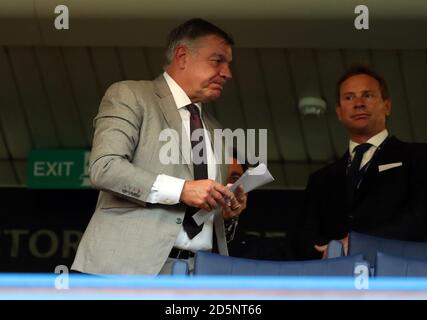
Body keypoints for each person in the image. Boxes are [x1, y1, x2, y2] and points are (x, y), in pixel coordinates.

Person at [71, 18, 247, 275]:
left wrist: (225, 212)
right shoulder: (130, 95)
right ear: (183, 56)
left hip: (197, 273)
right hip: (123, 269)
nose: (227, 73)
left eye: (228, 64)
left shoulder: (215, 128)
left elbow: (199, 208)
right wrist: (182, 190)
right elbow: (104, 167)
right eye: (217, 60)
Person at [298, 64, 427, 260]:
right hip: (336, 281)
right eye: (349, 97)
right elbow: (304, 236)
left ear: (387, 105)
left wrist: (361, 244)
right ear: (339, 112)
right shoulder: (321, 179)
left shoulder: (417, 157)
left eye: (368, 95)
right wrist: (326, 251)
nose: (358, 103)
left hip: (399, 277)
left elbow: (420, 216)